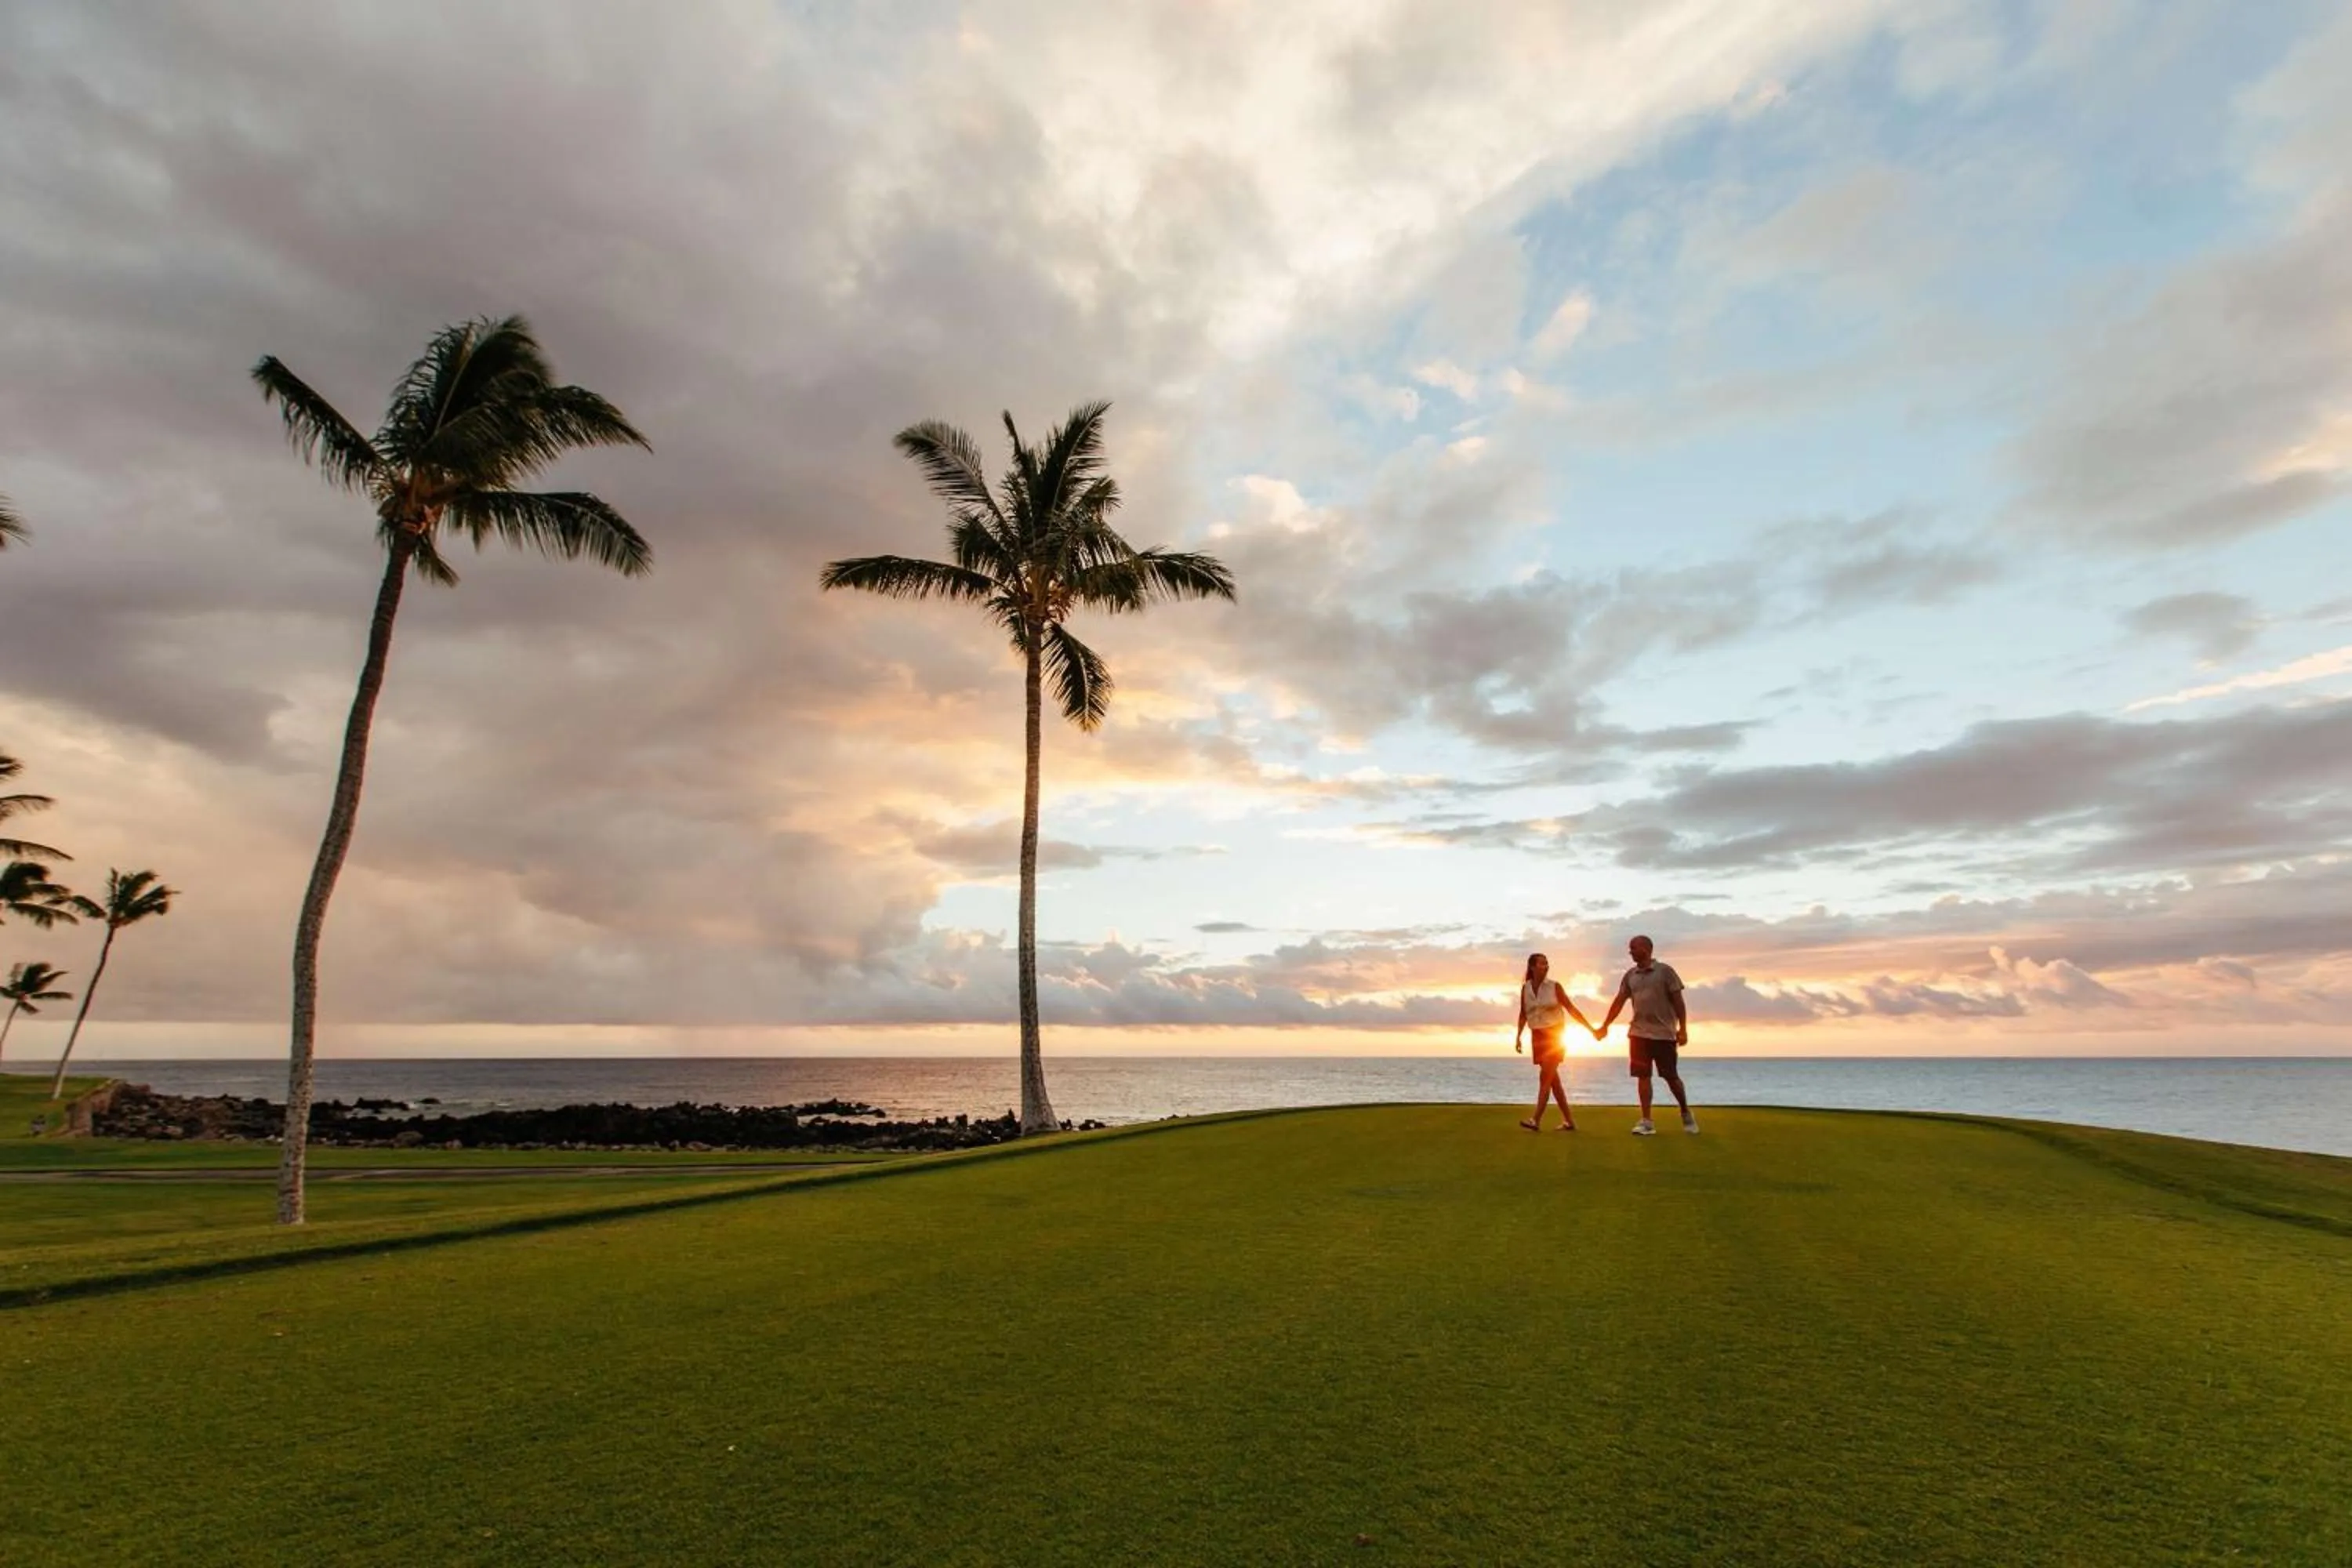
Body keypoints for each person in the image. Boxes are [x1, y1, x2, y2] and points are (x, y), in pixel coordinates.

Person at [1595, 934, 1697, 1136]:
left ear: (1646, 948)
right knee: (1643, 1076)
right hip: (1638, 1033)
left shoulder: (1665, 972)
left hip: (1663, 1034)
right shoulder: (1630, 975)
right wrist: (1605, 1025)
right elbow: (1619, 1001)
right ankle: (1646, 1121)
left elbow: (1679, 1002)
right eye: (1630, 948)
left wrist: (1683, 1029)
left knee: (1670, 1077)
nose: (1630, 951)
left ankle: (1685, 1112)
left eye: (1633, 947)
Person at [1513, 952, 1595, 1132]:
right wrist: (1518, 1036)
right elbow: (1523, 1013)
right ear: (1532, 967)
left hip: (1555, 1035)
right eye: (1542, 963)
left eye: (1547, 963)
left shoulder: (1555, 987)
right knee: (1553, 1081)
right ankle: (1570, 1121)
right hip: (1537, 1036)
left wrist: (1591, 1029)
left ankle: (1536, 1119)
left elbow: (1571, 1009)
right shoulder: (1525, 988)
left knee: (1545, 1077)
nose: (1546, 966)